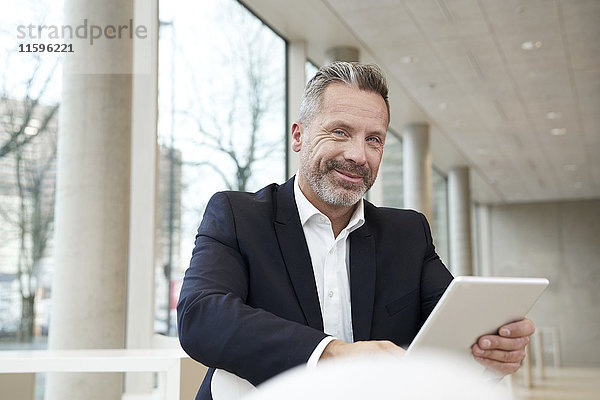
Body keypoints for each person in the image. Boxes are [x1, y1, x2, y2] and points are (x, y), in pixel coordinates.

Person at [177, 62, 534, 400]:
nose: (358, 155)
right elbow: (200, 315)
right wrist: (332, 355)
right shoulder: (237, 216)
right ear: (299, 136)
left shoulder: (408, 233)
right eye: (340, 132)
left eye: (374, 140)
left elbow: (449, 332)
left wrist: (491, 352)